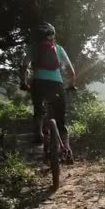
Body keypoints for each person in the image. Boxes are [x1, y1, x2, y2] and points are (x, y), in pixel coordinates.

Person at [20, 22, 76, 163]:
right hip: (56, 84)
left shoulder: (33, 48)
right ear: (53, 35)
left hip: (38, 84)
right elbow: (71, 71)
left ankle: (39, 134)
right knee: (61, 120)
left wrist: (23, 82)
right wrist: (71, 85)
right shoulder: (58, 49)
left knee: (39, 110)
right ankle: (67, 150)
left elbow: (24, 67)